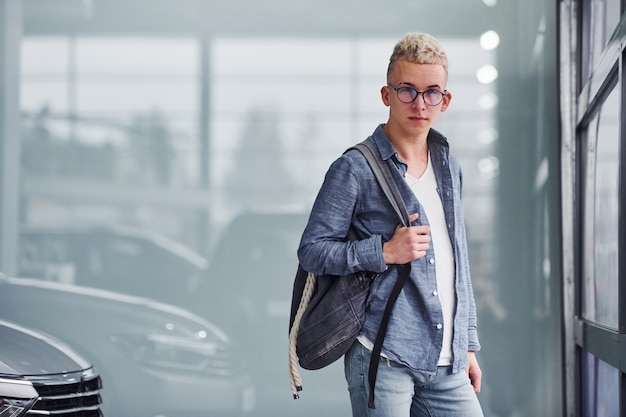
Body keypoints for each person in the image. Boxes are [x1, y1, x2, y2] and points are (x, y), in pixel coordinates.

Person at [297, 32, 484, 416]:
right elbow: (312, 250)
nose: (419, 103)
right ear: (386, 95)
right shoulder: (354, 168)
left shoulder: (449, 166)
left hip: (446, 361)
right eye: (406, 91)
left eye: (432, 92)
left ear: (445, 100)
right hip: (383, 355)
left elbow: (458, 259)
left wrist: (467, 345)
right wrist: (383, 251)